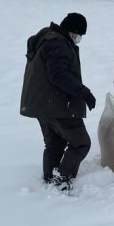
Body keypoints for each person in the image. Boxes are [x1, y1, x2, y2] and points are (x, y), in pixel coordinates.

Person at [20, 13, 96, 191]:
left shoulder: (47, 37)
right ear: (72, 32)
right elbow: (59, 76)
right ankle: (62, 181)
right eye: (78, 36)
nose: (78, 40)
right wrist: (85, 93)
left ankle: (49, 178)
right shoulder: (58, 44)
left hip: (40, 104)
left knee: (55, 142)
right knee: (81, 143)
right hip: (57, 105)